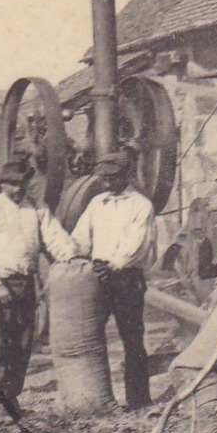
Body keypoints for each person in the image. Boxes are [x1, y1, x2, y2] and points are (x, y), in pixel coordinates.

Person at [0, 159, 76, 406]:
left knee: (23, 344)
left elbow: (55, 237)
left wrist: (71, 255)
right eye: (12, 184)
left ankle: (11, 398)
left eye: (22, 184)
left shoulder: (36, 208)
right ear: (1, 184)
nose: (17, 190)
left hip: (25, 284)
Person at [69, 152, 158, 410]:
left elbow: (137, 245)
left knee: (131, 340)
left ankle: (139, 400)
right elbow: (81, 237)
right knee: (90, 338)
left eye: (112, 177)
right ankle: (94, 398)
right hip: (97, 275)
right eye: (103, 177)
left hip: (126, 277)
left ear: (126, 175)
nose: (106, 182)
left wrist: (114, 264)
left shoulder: (140, 205)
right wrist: (71, 255)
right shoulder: (98, 203)